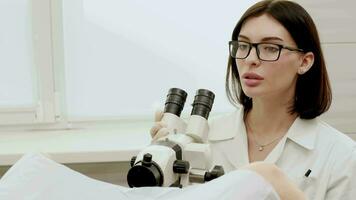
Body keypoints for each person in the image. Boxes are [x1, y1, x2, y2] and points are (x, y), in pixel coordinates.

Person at [150, 0, 356, 199]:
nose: (250, 59)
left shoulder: (341, 156)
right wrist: (163, 168)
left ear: (304, 61)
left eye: (271, 48)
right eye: (243, 45)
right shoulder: (201, 139)